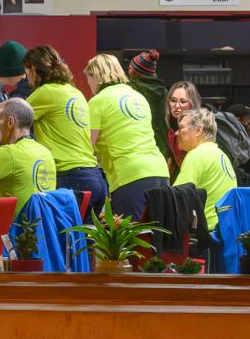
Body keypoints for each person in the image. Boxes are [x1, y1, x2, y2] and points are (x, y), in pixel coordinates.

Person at [22, 44, 108, 216]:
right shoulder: (75, 92)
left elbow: (11, 117)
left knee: (60, 233)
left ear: (34, 70)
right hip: (95, 177)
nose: (26, 78)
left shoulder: (46, 92)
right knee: (84, 234)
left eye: (26, 72)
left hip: (69, 176)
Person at [84, 53, 171, 219]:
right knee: (154, 233)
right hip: (160, 172)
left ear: (95, 75)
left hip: (129, 176)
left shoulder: (97, 101)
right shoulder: (138, 97)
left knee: (128, 235)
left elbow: (88, 146)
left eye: (88, 78)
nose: (88, 84)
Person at [173, 107, 239, 232]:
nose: (176, 133)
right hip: (227, 230)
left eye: (181, 128)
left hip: (206, 232)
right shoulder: (221, 154)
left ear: (198, 130)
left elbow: (175, 199)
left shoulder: (197, 154)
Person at [126, 50, 172, 162]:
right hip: (162, 151)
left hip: (138, 151)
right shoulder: (165, 92)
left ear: (134, 71)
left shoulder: (129, 90)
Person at [163, 81, 202, 171]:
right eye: (173, 100)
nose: (177, 106)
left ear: (192, 103)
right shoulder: (168, 126)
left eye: (183, 101)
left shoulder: (199, 128)